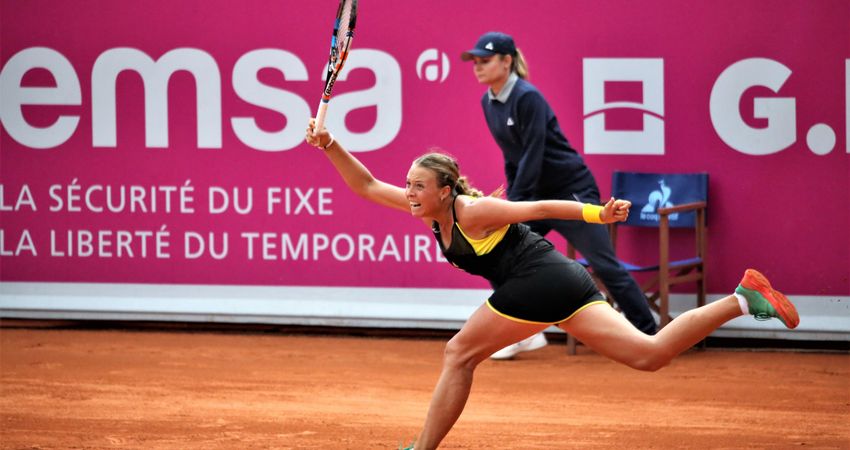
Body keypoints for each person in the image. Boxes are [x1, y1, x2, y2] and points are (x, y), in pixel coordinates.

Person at [304, 121, 799, 450]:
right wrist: (329, 144)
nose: (409, 192)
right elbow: (366, 185)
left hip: (538, 280)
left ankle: (421, 449)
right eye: (408, 184)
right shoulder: (429, 212)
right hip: (562, 283)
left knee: (459, 353)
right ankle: (743, 298)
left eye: (417, 185)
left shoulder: (473, 212)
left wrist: (597, 214)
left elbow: (540, 207)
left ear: (445, 190)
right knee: (649, 355)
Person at [461, 31, 658, 359]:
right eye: (475, 62)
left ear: (507, 61)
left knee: (604, 264)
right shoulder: (488, 103)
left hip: (571, 192)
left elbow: (534, 153)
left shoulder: (527, 97)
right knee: (499, 259)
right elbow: (513, 156)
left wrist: (517, 204)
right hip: (534, 198)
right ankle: (523, 333)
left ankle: (648, 332)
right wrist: (512, 203)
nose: (478, 67)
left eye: (485, 60)